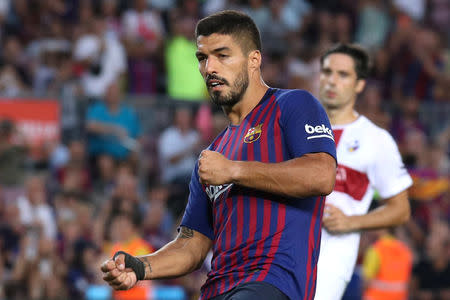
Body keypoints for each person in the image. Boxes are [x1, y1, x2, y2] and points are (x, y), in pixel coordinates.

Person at [101, 10, 337, 300]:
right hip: (217, 290)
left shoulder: (293, 105)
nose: (209, 67)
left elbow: (322, 175)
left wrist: (235, 171)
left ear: (254, 60)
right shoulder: (213, 154)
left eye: (222, 55)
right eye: (203, 58)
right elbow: (192, 245)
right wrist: (139, 266)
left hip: (271, 284)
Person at [314, 43, 413, 300]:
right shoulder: (290, 127)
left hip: (331, 258)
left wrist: (352, 221)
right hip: (278, 250)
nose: (332, 81)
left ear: (359, 84)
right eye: (327, 72)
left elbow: (401, 209)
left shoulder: (376, 140)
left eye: (343, 74)